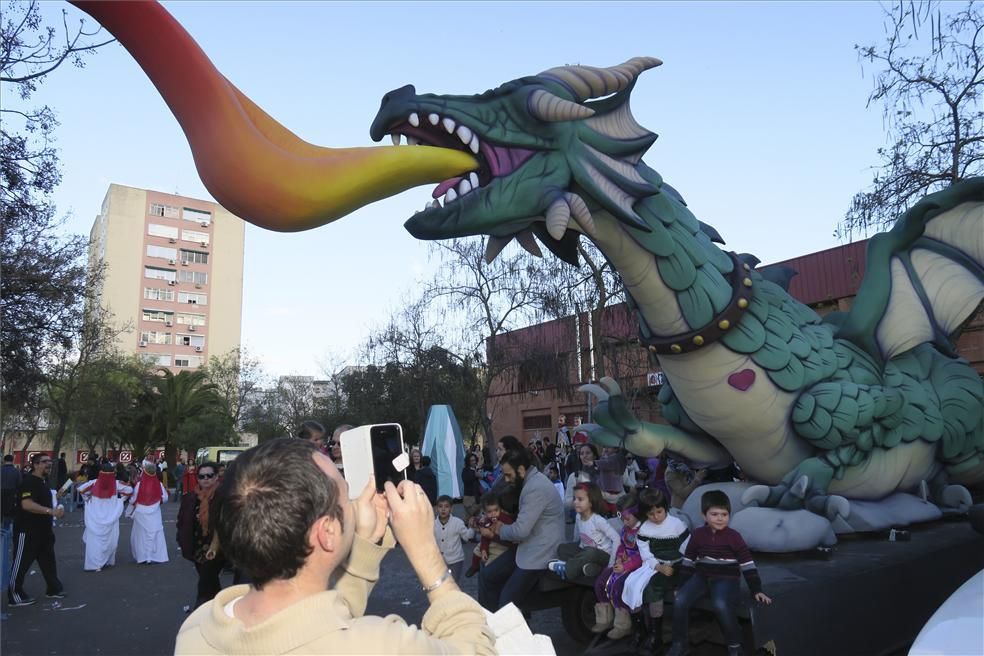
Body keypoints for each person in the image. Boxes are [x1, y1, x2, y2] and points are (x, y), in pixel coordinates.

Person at [174, 438, 495, 655]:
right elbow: (478, 646)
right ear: (327, 532)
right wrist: (426, 550)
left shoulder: (196, 630)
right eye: (345, 495)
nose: (355, 504)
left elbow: (319, 625)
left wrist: (365, 543)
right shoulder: (380, 645)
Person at [666, 490, 772, 656]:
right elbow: (689, 561)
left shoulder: (734, 537)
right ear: (704, 515)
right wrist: (681, 585)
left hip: (726, 578)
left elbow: (747, 564)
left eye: (724, 514)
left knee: (720, 604)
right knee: (680, 600)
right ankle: (680, 643)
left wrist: (756, 589)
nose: (720, 518)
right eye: (714, 514)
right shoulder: (698, 535)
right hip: (702, 576)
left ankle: (735, 646)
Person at [478, 448, 564, 612]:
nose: (506, 479)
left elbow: (520, 531)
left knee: (506, 603)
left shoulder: (535, 488)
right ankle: (491, 624)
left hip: (541, 552)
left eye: (509, 475)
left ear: (521, 470)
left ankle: (504, 627)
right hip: (529, 547)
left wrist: (497, 529)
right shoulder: (531, 482)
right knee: (487, 576)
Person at [624, 487, 691, 653]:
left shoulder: (677, 525)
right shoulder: (645, 529)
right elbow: (645, 553)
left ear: (665, 508)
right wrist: (658, 566)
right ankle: (642, 631)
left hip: (677, 564)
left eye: (659, 512)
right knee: (631, 585)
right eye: (650, 514)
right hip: (655, 565)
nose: (655, 517)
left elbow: (688, 547)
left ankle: (656, 635)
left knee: (654, 588)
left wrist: (678, 566)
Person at [8, 453, 65, 606]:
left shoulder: (42, 482)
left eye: (50, 462)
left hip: (44, 532)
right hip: (27, 531)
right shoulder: (29, 482)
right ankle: (15, 595)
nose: (49, 464)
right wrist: (51, 511)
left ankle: (53, 588)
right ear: (35, 464)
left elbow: (43, 502)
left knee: (48, 561)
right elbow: (26, 504)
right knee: (21, 563)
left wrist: (56, 506)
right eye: (45, 462)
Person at [592, 491, 644, 640]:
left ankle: (623, 624)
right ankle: (605, 619)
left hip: (637, 566)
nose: (624, 522)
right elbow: (622, 546)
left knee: (619, 586)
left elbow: (643, 555)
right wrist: (619, 559)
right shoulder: (625, 529)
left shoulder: (643, 531)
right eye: (622, 518)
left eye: (627, 518)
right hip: (623, 564)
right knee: (601, 582)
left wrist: (626, 566)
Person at [547, 482, 620, 580]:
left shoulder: (597, 520)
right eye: (574, 499)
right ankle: (591, 568)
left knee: (590, 553)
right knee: (562, 548)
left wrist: (611, 564)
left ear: (591, 502)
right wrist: (575, 548)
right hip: (586, 551)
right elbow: (579, 538)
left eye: (580, 499)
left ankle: (568, 568)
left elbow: (617, 539)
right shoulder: (578, 517)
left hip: (603, 555)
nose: (575, 502)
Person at [177, 461, 225, 609]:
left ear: (216, 477)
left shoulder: (223, 497)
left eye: (209, 475)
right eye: (201, 476)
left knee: (205, 580)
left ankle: (201, 608)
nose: (205, 479)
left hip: (217, 547)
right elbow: (182, 520)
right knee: (210, 580)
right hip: (196, 546)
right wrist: (181, 538)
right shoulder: (191, 497)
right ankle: (220, 606)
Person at [77, 463, 133, 571]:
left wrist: (87, 500)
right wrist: (121, 500)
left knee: (95, 540)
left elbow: (81, 490)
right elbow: (129, 491)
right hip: (111, 514)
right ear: (113, 473)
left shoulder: (93, 483)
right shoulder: (116, 484)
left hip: (95, 515)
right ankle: (107, 560)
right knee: (110, 539)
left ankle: (94, 564)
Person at [126, 461, 169, 564]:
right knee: (155, 534)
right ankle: (155, 555)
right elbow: (165, 497)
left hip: (141, 511)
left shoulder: (139, 485)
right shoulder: (158, 484)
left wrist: (129, 507)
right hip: (154, 512)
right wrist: (158, 502)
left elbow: (133, 499)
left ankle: (143, 556)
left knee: (141, 535)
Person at [465, 492, 514, 578]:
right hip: (490, 541)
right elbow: (485, 536)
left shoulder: (505, 519)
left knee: (490, 565)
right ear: (484, 512)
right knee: (477, 550)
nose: (493, 514)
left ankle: (490, 576)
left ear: (500, 509)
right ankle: (475, 566)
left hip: (501, 546)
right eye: (490, 512)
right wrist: (484, 549)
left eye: (496, 510)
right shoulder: (486, 520)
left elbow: (511, 537)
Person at [434, 495, 474, 582]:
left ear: (451, 509)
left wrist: (472, 528)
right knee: (441, 584)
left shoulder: (458, 522)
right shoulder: (433, 524)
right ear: (436, 509)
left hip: (456, 560)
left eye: (446, 506)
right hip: (440, 561)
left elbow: (467, 536)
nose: (443, 509)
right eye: (440, 506)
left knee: (453, 584)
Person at [2, 454, 23, 596]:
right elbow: (20, 486)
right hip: (11, 498)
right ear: (13, 460)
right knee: (9, 519)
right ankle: (7, 534)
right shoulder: (16, 472)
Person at [564, 443, 601, 512]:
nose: (584, 456)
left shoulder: (602, 474)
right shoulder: (574, 476)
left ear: (594, 456)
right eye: (581, 454)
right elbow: (566, 503)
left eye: (588, 453)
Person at [461, 453, 483, 522]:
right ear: (468, 462)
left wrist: (480, 475)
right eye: (471, 461)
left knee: (477, 518)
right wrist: (475, 475)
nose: (473, 462)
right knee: (468, 517)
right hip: (469, 496)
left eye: (474, 460)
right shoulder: (465, 470)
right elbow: (465, 480)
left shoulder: (477, 469)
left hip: (477, 496)